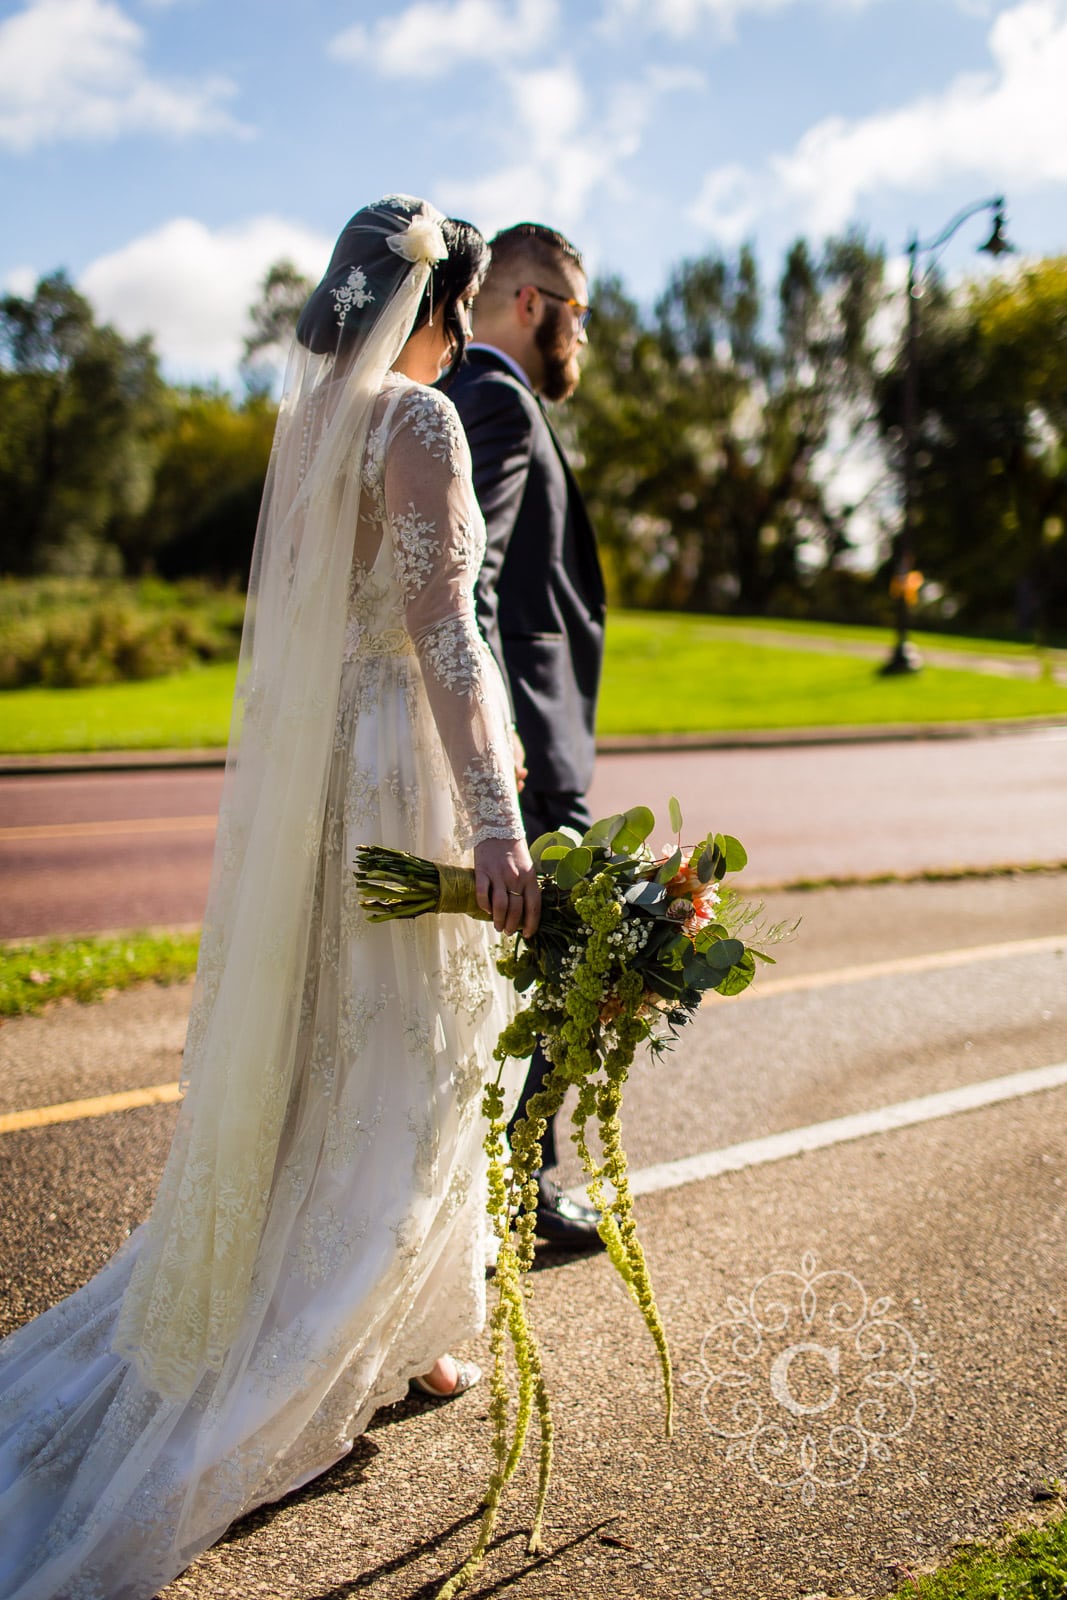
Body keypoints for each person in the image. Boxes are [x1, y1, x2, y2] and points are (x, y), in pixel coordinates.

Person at [0, 196, 539, 1600]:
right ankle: (354, 1326)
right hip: (391, 781)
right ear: (434, 308)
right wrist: (494, 819)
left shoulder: (306, 429)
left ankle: (402, 1313)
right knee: (411, 1050)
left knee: (319, 1045)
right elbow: (446, 639)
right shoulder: (417, 424)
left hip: (312, 785)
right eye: (458, 313)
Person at [445, 222, 606, 1249]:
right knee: (550, 974)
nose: (582, 339)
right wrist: (501, 758)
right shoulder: (498, 402)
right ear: (531, 303)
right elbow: (478, 579)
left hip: (520, 748)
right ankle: (521, 1190)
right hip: (528, 758)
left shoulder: (467, 399)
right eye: (578, 313)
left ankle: (504, 1181)